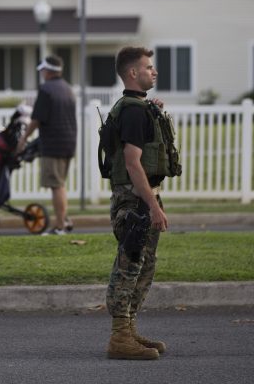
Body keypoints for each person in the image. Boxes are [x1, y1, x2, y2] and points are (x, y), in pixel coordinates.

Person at [104, 46, 177, 360]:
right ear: (133, 73)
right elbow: (133, 163)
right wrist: (153, 206)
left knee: (144, 264)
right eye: (148, 67)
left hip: (140, 198)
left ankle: (129, 329)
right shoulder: (133, 110)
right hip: (135, 201)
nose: (154, 71)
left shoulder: (137, 107)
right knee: (130, 264)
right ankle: (120, 337)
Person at [17, 55, 77, 235]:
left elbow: (36, 119)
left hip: (53, 144)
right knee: (60, 184)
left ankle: (59, 226)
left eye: (43, 70)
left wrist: (23, 139)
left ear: (48, 71)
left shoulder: (46, 89)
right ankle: (64, 221)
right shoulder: (68, 89)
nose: (41, 73)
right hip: (68, 142)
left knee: (56, 185)